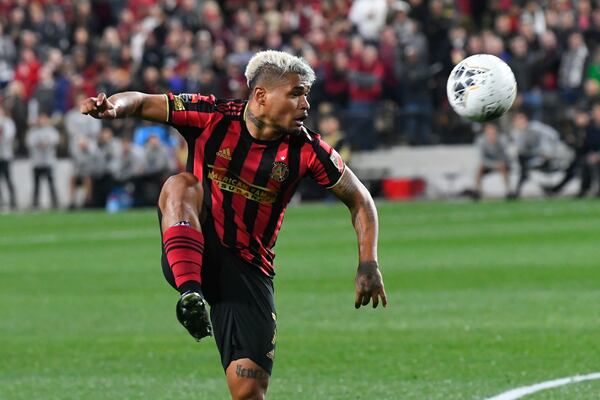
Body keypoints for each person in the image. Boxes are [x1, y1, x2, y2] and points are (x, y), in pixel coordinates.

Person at [81, 50, 387, 400]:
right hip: (195, 247)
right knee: (180, 185)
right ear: (261, 96)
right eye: (295, 93)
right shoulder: (212, 116)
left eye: (306, 95)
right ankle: (190, 295)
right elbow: (140, 101)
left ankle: (199, 299)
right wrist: (114, 107)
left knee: (248, 391)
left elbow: (360, 200)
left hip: (248, 269)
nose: (305, 104)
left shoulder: (306, 149)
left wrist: (368, 262)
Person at [26, 113, 60, 209]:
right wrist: (39, 144)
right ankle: (35, 202)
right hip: (37, 162)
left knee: (51, 183)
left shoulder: (51, 131)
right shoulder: (33, 131)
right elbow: (29, 142)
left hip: (49, 161)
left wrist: (47, 143)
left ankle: (55, 202)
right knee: (36, 184)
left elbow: (55, 141)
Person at [474, 122, 511, 200]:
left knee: (504, 167)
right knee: (479, 168)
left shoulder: (502, 140)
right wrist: (494, 164)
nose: (491, 135)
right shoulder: (481, 141)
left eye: (493, 132)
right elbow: (482, 159)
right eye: (489, 132)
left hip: (501, 163)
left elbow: (505, 155)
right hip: (489, 164)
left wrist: (500, 163)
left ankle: (508, 191)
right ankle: (477, 191)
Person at [0, 104, 17, 209]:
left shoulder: (8, 123)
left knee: (7, 178)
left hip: (5, 154)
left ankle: (12, 200)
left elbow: (9, 137)